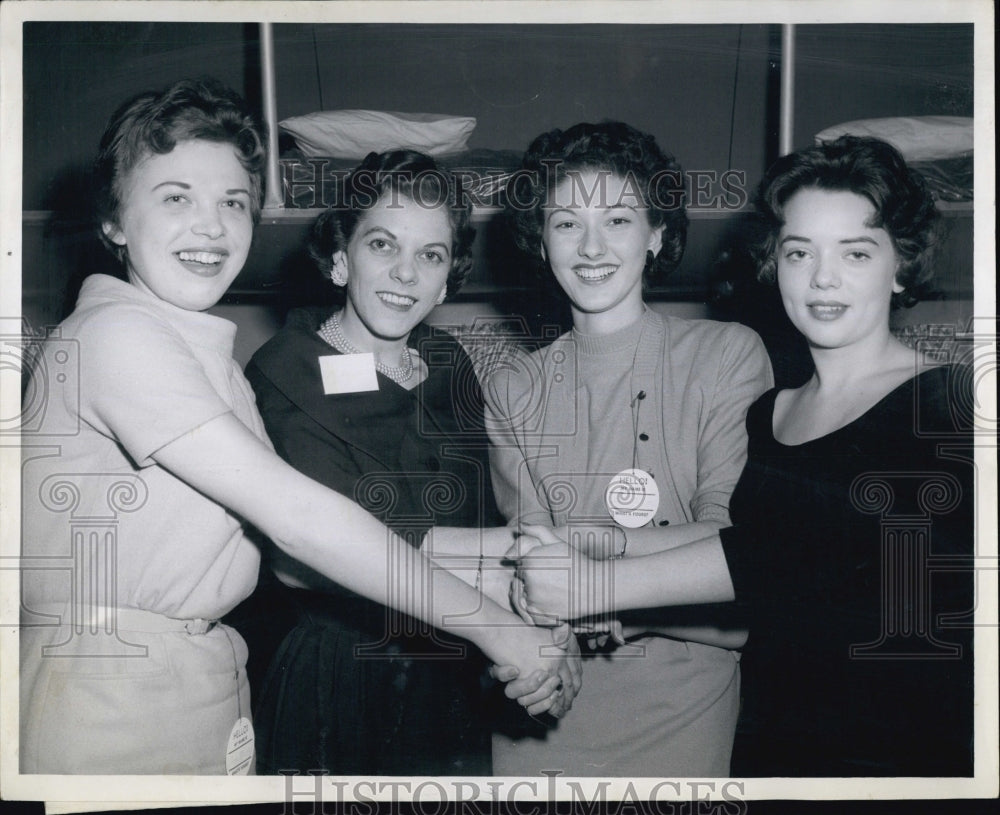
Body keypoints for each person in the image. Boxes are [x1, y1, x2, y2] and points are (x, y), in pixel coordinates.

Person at [18, 78, 575, 776]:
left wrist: (533, 578)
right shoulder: (115, 335)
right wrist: (501, 627)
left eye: (233, 203)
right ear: (113, 222)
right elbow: (300, 522)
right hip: (111, 695)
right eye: (176, 198)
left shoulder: (198, 356)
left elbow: (293, 551)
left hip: (198, 686)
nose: (212, 226)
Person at [513, 135, 975, 776]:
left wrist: (598, 582)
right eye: (798, 252)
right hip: (768, 746)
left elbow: (781, 554)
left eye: (856, 252)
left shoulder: (946, 404)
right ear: (774, 265)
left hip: (898, 751)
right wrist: (588, 549)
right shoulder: (775, 414)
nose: (823, 277)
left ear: (902, 266)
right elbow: (750, 571)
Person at [241, 149, 580, 776]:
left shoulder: (448, 362)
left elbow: (493, 507)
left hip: (450, 674)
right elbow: (307, 561)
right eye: (382, 245)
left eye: (430, 254)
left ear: (449, 277)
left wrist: (549, 631)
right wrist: (524, 576)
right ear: (340, 258)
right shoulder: (284, 368)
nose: (405, 273)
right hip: (340, 682)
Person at [484, 121, 774, 777]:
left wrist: (597, 594)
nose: (591, 246)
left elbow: (737, 551)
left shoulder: (726, 354)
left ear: (659, 233)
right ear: (540, 239)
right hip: (547, 711)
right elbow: (531, 562)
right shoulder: (512, 386)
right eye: (565, 223)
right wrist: (539, 656)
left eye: (617, 219)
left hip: (682, 705)